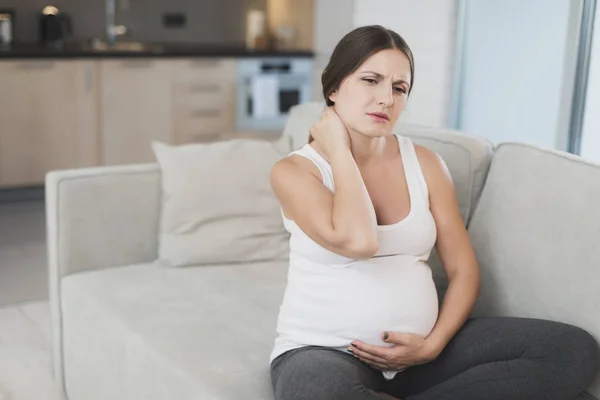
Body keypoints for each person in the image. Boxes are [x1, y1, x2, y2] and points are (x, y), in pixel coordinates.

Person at [268, 25, 600, 400]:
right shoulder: (296, 172)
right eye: (371, 80)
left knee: (570, 349)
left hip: (422, 357)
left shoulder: (425, 163)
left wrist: (433, 345)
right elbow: (359, 241)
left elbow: (463, 271)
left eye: (399, 88)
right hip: (323, 353)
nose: (386, 99)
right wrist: (340, 151)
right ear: (333, 89)